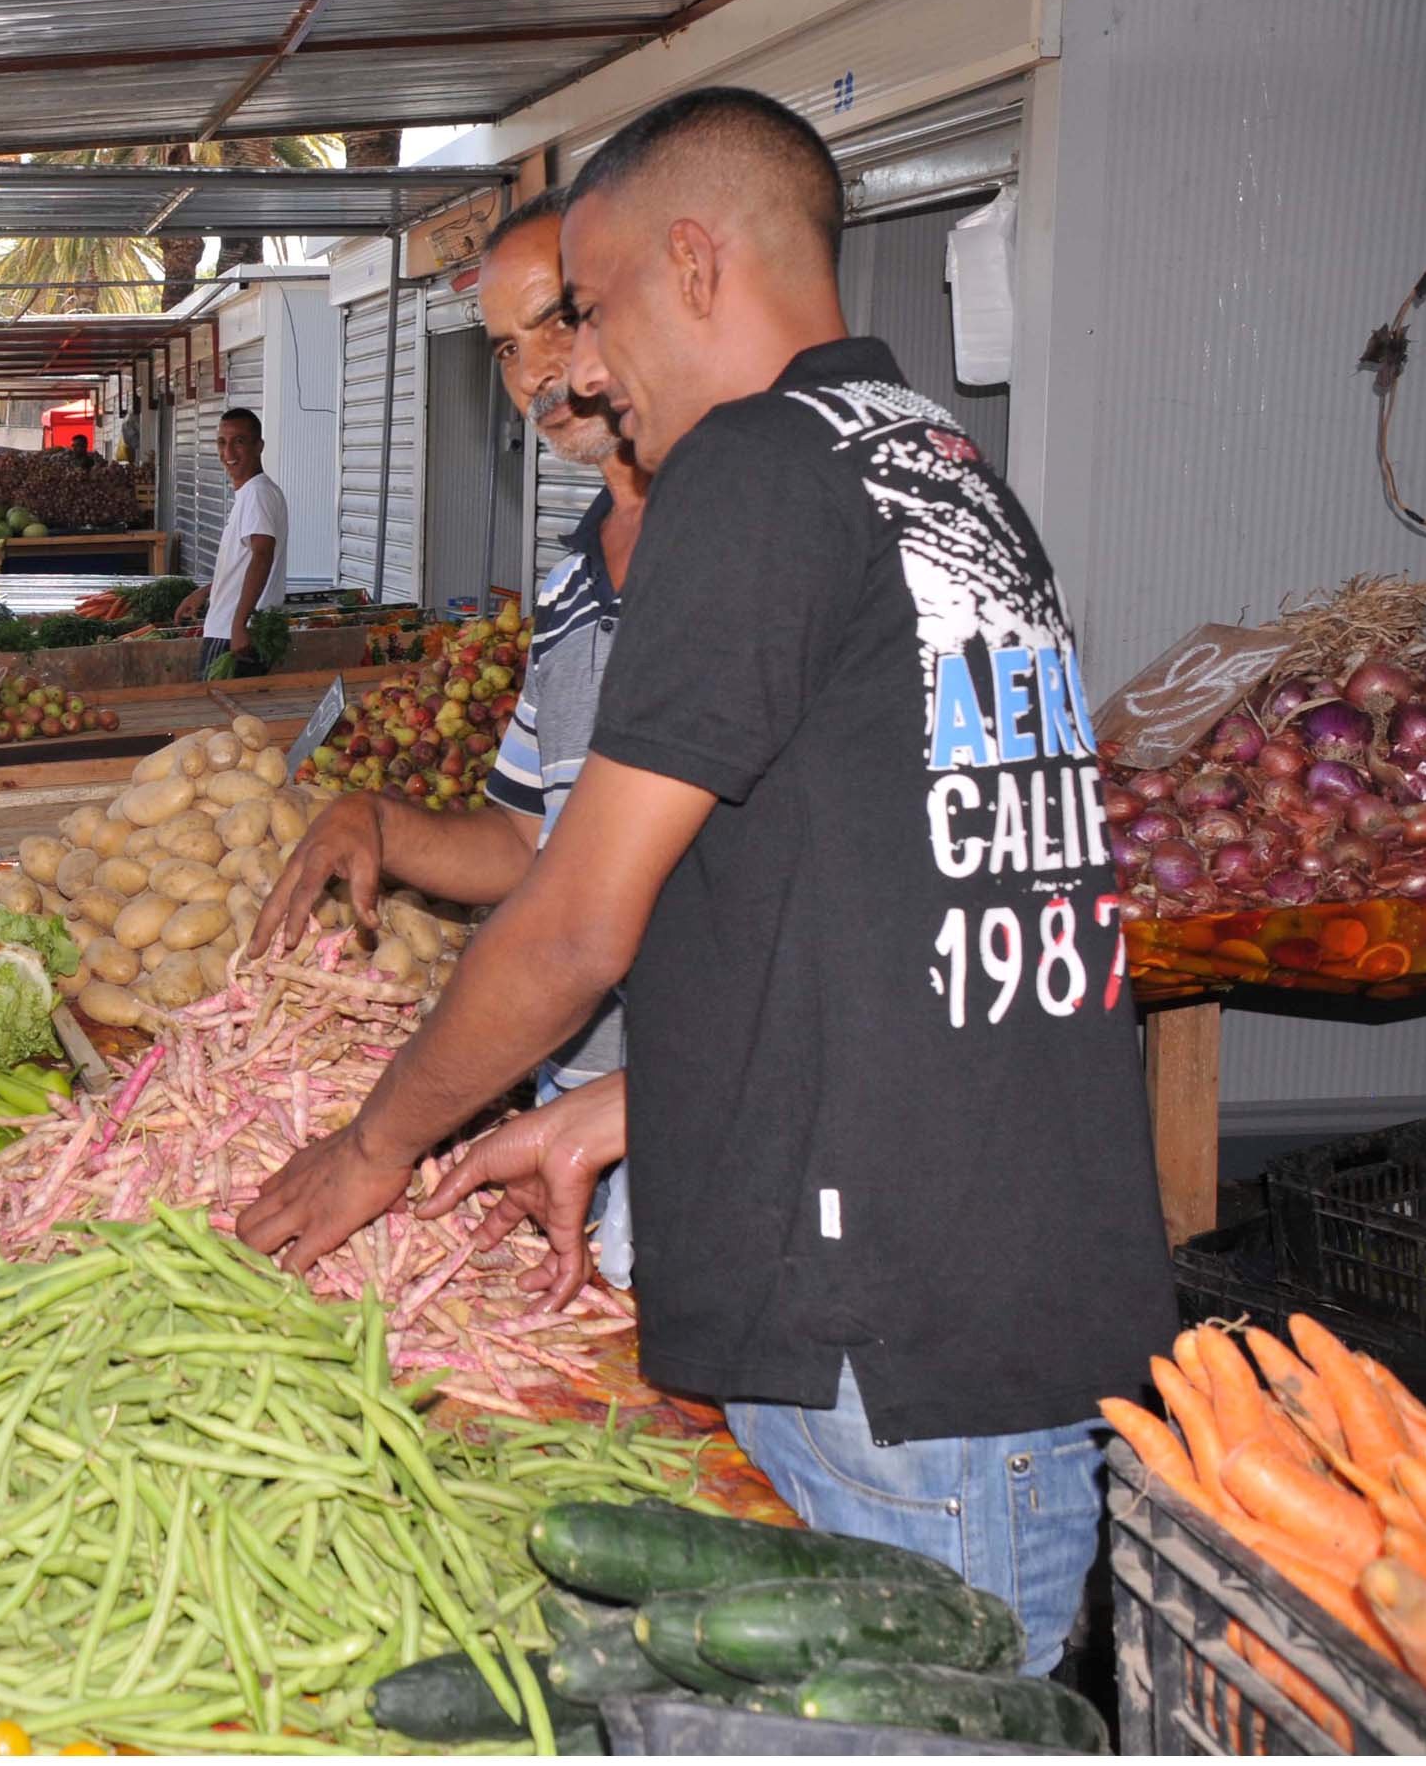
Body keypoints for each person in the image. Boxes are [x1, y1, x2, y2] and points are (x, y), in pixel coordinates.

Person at [236, 88, 1172, 1673]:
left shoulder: (748, 472)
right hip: (991, 1307)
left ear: (691, 259)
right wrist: (628, 1106)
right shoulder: (939, 466)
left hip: (891, 1346)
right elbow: (902, 898)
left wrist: (374, 1146)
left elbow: (575, 915)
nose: (581, 367)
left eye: (587, 312)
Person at [252, 191, 650, 1277]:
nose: (533, 375)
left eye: (556, 323)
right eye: (506, 348)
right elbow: (524, 843)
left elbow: (581, 921)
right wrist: (371, 820)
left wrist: (380, 1141)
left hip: (694, 1108)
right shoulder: (569, 589)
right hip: (577, 1107)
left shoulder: (716, 558)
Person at [173, 407, 287, 677]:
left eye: (239, 441)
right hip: (233, 628)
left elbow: (262, 556)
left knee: (217, 715)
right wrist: (206, 592)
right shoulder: (254, 493)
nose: (228, 453)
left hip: (230, 635)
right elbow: (244, 562)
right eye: (222, 442)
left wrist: (239, 624)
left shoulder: (258, 494)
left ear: (259, 446)